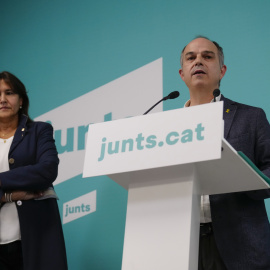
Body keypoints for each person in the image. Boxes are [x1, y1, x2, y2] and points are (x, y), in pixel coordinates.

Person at [179, 37, 270, 270]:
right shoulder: (167, 129)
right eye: (191, 57)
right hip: (181, 245)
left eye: (207, 56)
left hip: (240, 245)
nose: (198, 61)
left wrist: (245, 177)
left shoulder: (251, 117)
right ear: (182, 73)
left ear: (222, 70)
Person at [0, 71, 68, 270]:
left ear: (21, 100)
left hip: (35, 236)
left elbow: (47, 170)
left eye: (9, 93)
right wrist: (8, 197)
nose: (2, 99)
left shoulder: (40, 131)